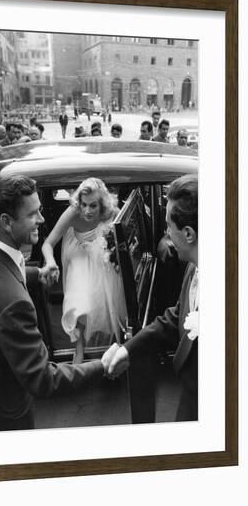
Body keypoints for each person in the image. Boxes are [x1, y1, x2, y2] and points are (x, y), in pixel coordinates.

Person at [0, 175, 104, 432]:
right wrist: (101, 366)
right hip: (3, 417)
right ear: (7, 222)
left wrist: (35, 274)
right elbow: (43, 379)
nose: (41, 219)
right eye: (33, 214)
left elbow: (8, 272)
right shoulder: (12, 304)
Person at [102, 174, 199, 421]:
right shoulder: (193, 266)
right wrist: (128, 350)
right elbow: (177, 315)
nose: (166, 233)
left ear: (188, 234)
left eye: (168, 226)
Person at [42, 178, 127, 364]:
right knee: (80, 303)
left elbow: (128, 231)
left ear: (102, 204)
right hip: (78, 252)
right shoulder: (73, 211)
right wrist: (50, 261)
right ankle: (78, 347)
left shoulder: (112, 211)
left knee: (108, 299)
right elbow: (48, 243)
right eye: (84, 205)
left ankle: (118, 344)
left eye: (93, 206)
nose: (87, 211)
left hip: (102, 254)